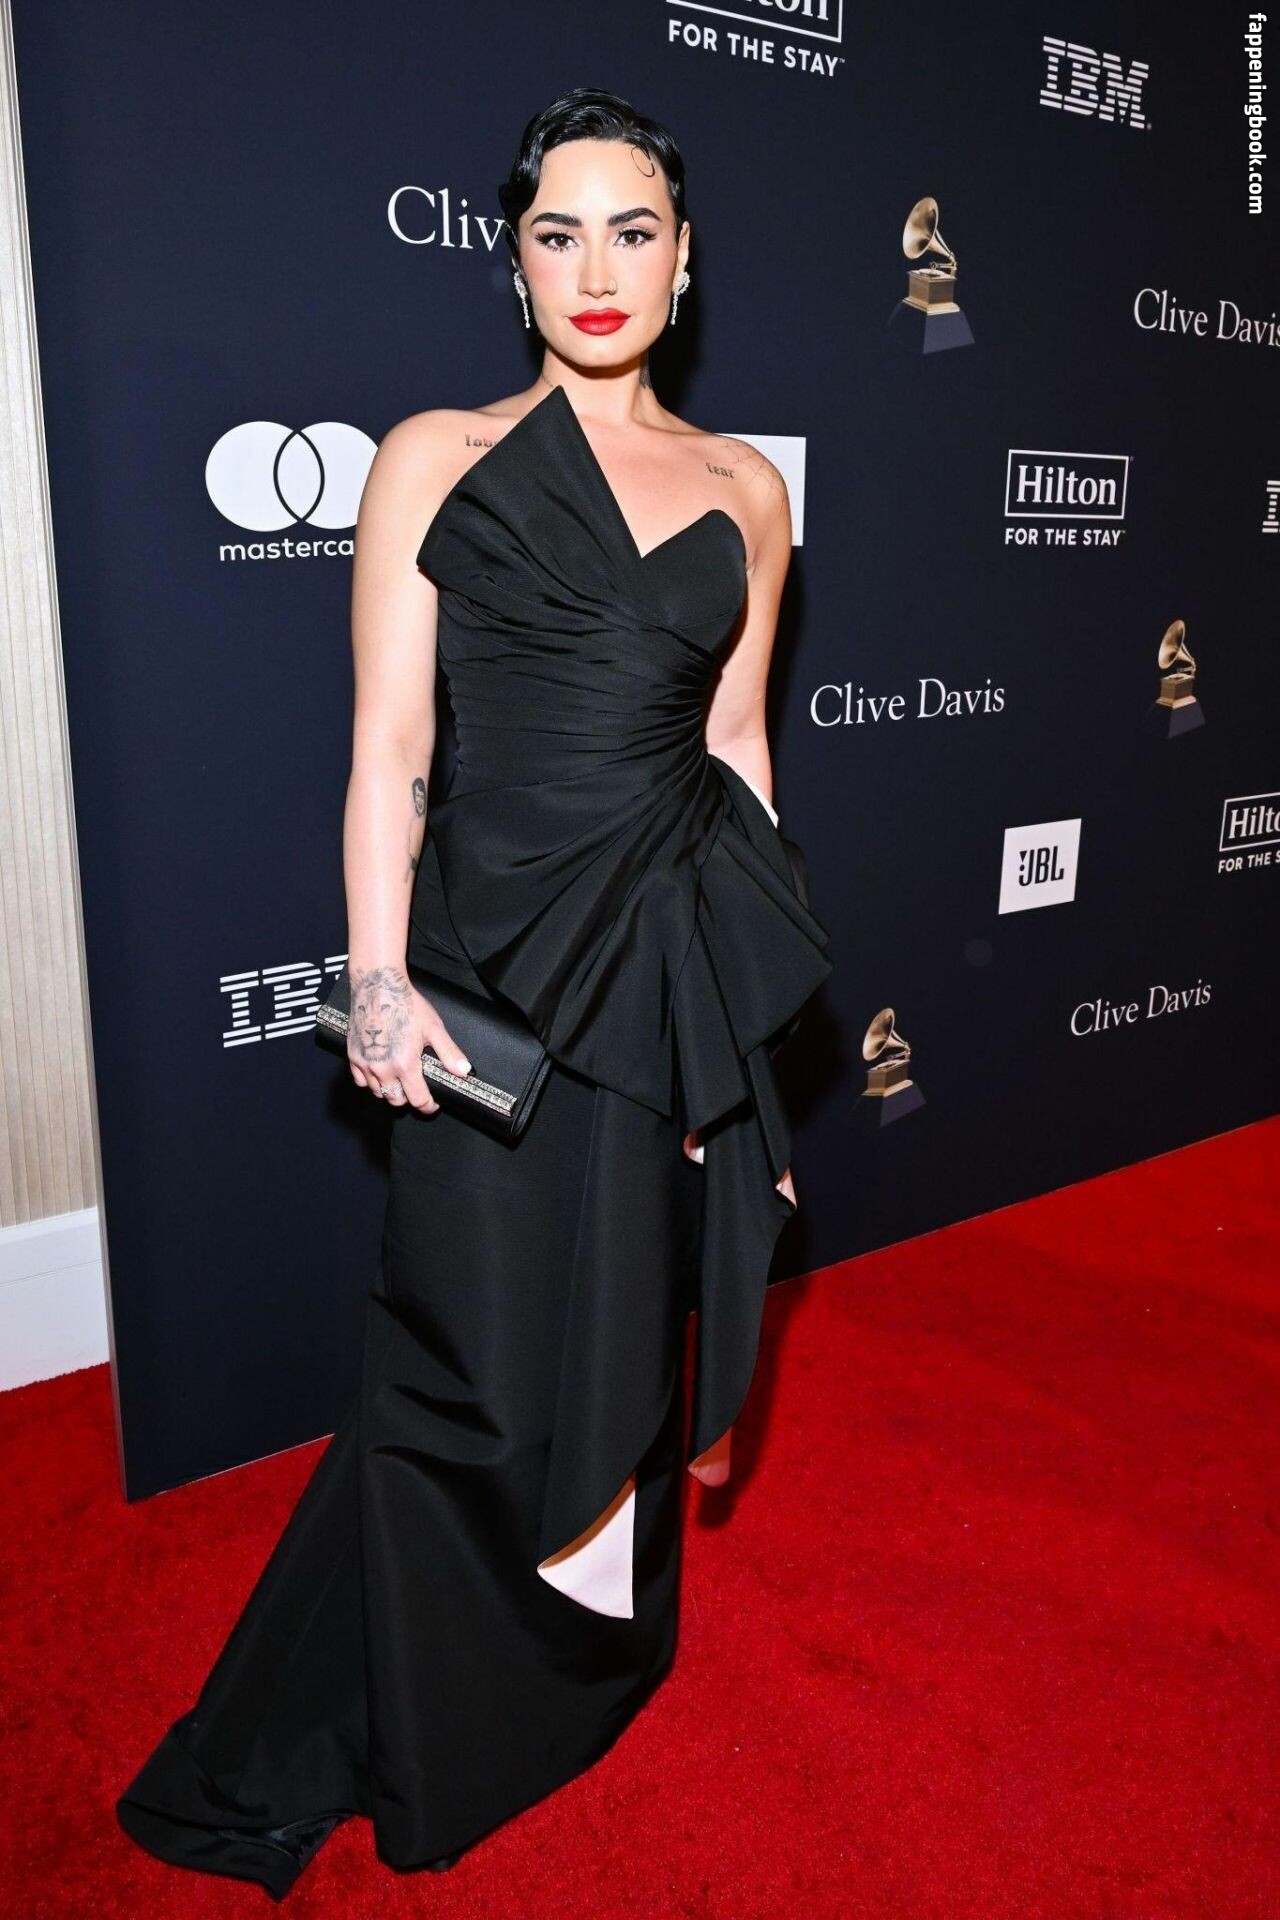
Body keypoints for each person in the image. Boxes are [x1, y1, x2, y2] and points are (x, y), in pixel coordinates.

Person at [116, 84, 833, 1899]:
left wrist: (750, 1038)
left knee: (622, 1338)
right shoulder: (434, 454)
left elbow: (738, 753)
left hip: (666, 964)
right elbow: (388, 749)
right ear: (513, 263)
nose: (597, 268)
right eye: (557, 232)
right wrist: (373, 985)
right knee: (462, 1363)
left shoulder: (748, 491)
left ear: (686, 260)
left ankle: (567, 1668)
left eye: (634, 231)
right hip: (492, 968)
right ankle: (402, 1706)